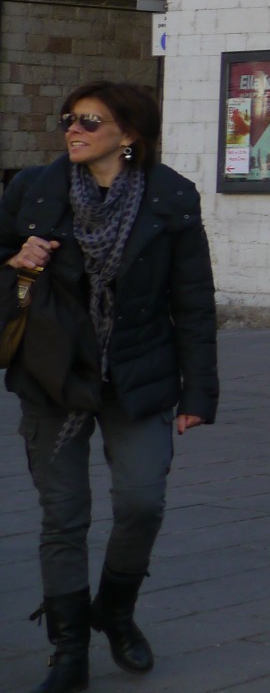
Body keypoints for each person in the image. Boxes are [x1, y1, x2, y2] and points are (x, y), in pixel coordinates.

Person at [5, 81, 218, 693]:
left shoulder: (170, 196)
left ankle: (116, 611)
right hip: (54, 374)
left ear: (129, 134)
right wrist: (16, 261)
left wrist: (198, 393)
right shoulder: (33, 190)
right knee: (63, 517)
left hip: (138, 376)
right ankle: (69, 649)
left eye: (89, 122)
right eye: (69, 119)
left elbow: (193, 302)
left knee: (143, 502)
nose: (73, 130)